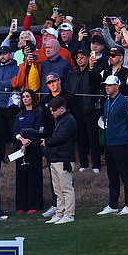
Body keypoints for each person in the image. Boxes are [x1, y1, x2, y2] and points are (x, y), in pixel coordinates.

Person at [96, 75, 128, 216]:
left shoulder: (125, 102)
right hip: (110, 144)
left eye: (110, 85)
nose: (107, 87)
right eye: (106, 85)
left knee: (125, 175)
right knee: (112, 176)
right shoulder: (108, 101)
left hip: (122, 144)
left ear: (117, 86)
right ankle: (113, 204)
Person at [40, 96, 77, 225]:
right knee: (58, 189)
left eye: (54, 110)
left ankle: (69, 214)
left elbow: (59, 138)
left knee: (66, 188)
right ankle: (59, 213)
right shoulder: (60, 120)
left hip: (64, 158)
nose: (52, 112)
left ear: (62, 108)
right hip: (56, 158)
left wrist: (46, 142)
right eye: (51, 110)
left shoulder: (68, 120)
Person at [67, 48, 102, 173]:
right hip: (77, 112)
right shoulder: (73, 76)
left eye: (82, 57)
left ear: (88, 58)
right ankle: (83, 163)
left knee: (93, 140)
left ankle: (96, 164)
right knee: (81, 139)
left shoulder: (93, 73)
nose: (80, 60)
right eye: (78, 58)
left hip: (90, 111)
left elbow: (96, 83)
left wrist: (92, 68)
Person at [12, 89, 44, 213]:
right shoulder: (19, 114)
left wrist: (28, 141)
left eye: (27, 96)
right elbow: (15, 131)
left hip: (33, 148)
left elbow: (37, 130)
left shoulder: (38, 113)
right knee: (21, 177)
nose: (25, 99)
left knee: (33, 177)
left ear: (32, 98)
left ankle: (34, 204)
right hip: (20, 148)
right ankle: (21, 205)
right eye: (23, 97)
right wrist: (21, 139)